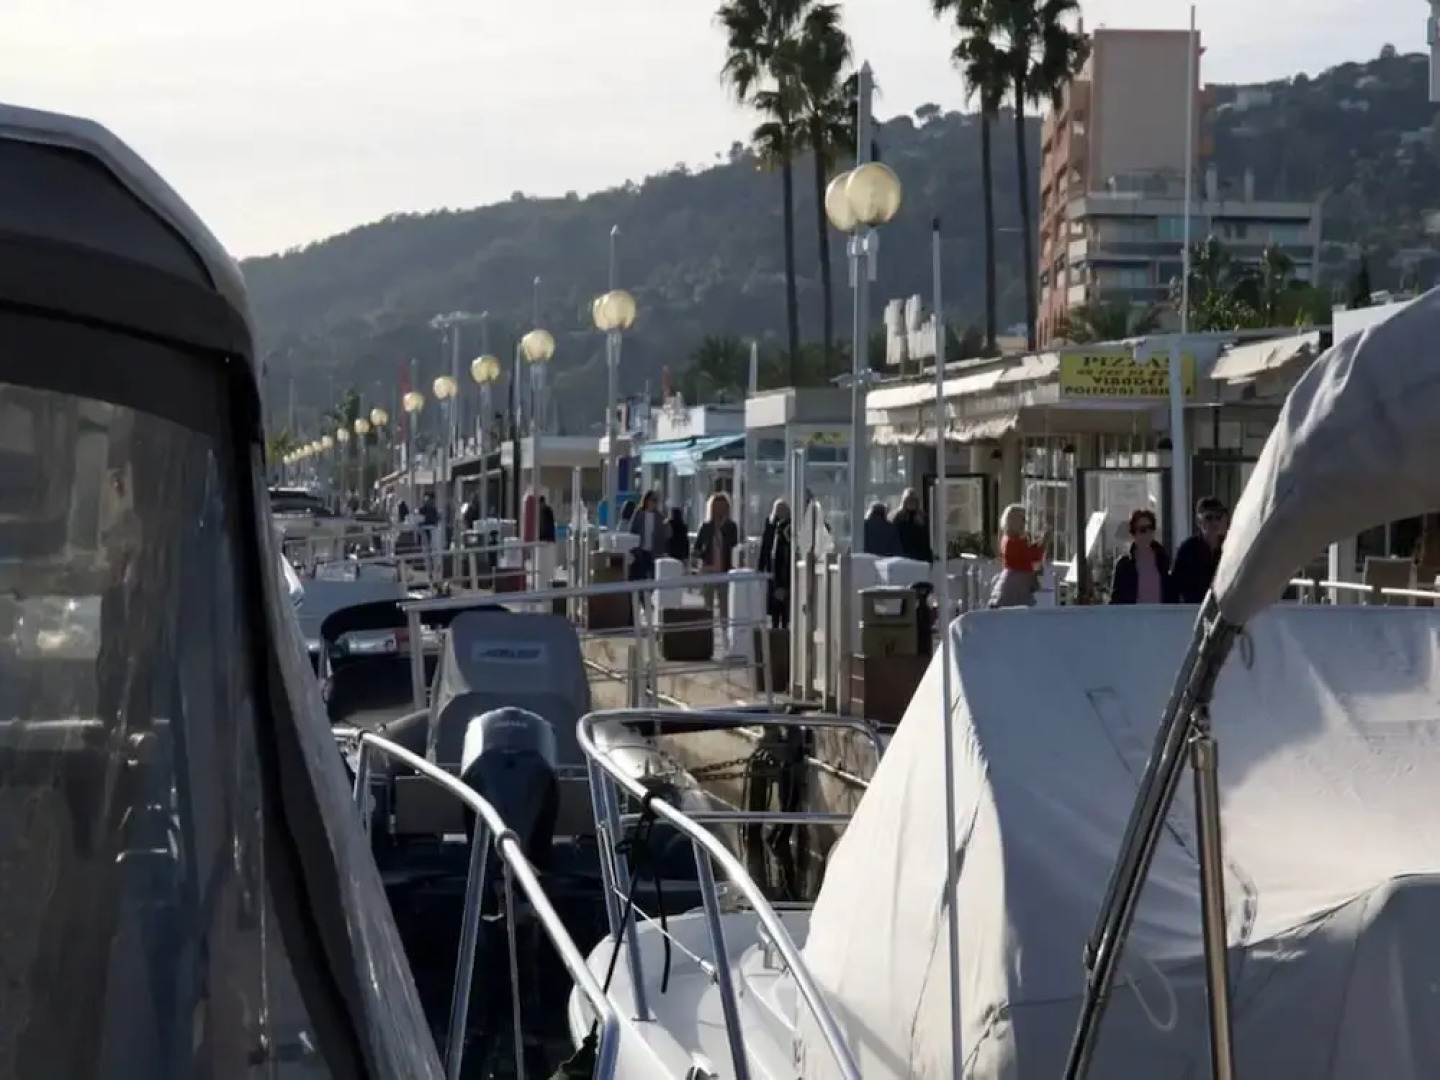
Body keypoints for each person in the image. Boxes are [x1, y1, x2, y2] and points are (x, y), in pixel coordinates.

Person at [1109, 508, 1175, 604]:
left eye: (1150, 528)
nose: (1147, 533)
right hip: (1134, 616)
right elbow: (1116, 599)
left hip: (1160, 616)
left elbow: (1172, 593)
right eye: (1142, 530)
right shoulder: (1123, 565)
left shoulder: (1163, 559)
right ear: (1133, 534)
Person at [988, 502, 1047, 608]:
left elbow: (1029, 554)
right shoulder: (1011, 541)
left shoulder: (1012, 539)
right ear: (1013, 521)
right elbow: (1030, 555)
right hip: (1015, 583)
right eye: (1022, 519)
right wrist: (1043, 543)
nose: (1025, 523)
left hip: (1018, 582)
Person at [1170, 495, 1228, 603]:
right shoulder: (1187, 550)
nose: (1214, 522)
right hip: (1193, 611)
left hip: (1223, 612)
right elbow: (1175, 587)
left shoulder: (1229, 548)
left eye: (1218, 517)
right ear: (1198, 521)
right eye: (1209, 518)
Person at [694, 492, 740, 620]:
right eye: (716, 507)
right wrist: (703, 557)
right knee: (707, 604)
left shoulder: (731, 526)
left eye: (723, 507)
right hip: (709, 569)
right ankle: (707, 630)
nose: (719, 510)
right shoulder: (706, 526)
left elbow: (734, 544)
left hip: (725, 569)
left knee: (724, 602)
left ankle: (725, 631)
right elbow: (697, 548)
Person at [757, 498, 792, 629]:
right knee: (775, 602)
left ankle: (783, 627)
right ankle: (775, 627)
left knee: (784, 604)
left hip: (784, 569)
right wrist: (760, 568)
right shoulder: (771, 525)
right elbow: (765, 547)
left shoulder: (789, 527)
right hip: (773, 569)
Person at [627, 490, 666, 591]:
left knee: (652, 578)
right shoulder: (639, 514)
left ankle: (648, 598)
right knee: (640, 577)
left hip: (654, 551)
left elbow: (662, 535)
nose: (654, 503)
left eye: (656, 501)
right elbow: (632, 530)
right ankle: (640, 599)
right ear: (647, 500)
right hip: (640, 551)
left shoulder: (659, 517)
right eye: (653, 500)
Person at [892, 488, 934, 563]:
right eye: (909, 499)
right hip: (904, 556)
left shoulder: (922, 517)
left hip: (921, 557)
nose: (912, 502)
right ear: (904, 501)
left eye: (914, 500)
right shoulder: (898, 517)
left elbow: (926, 539)